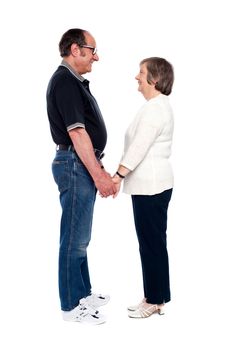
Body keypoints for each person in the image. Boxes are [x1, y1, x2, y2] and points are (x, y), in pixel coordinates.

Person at [46, 28, 116, 325]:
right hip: (75, 164)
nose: (96, 57)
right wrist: (99, 174)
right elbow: (77, 132)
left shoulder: (73, 82)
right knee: (74, 239)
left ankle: (82, 292)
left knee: (80, 237)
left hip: (78, 164)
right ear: (76, 49)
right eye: (92, 50)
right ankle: (71, 306)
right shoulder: (65, 81)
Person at [112, 57, 174, 318]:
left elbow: (139, 147)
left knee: (151, 244)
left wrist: (117, 176)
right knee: (152, 243)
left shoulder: (155, 109)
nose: (136, 77)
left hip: (151, 186)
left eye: (141, 72)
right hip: (152, 185)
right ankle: (154, 296)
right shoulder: (155, 106)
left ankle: (155, 299)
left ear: (155, 79)